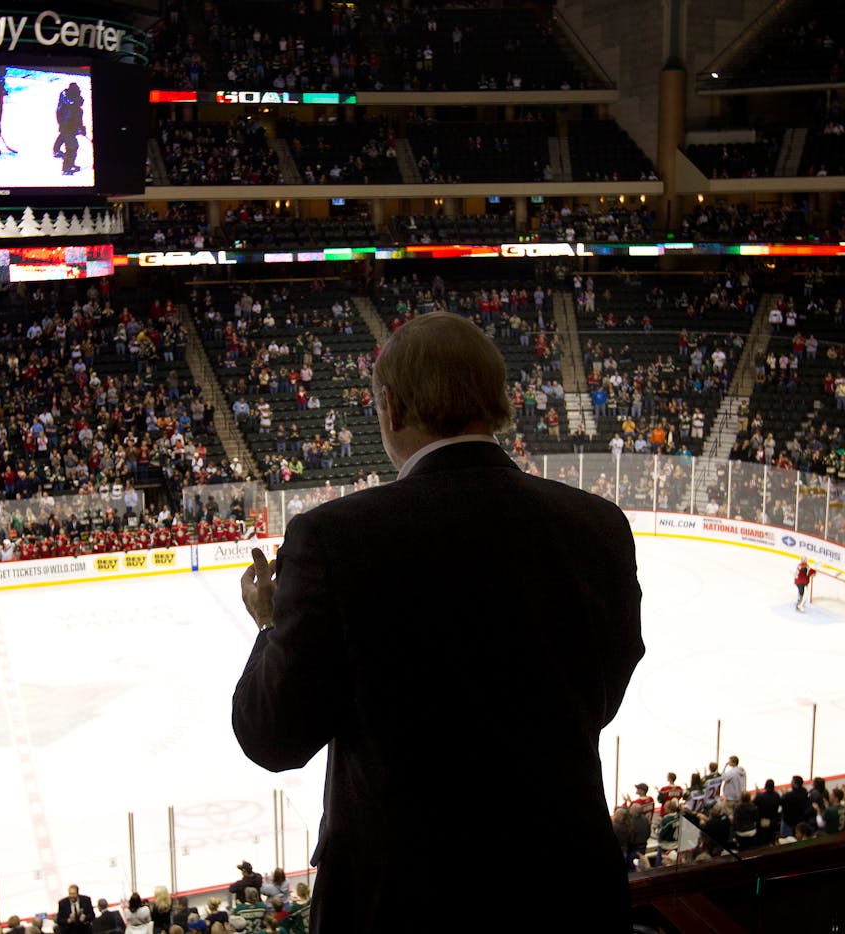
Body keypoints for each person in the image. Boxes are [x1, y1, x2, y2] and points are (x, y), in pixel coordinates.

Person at [233, 311, 644, 931]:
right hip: (567, 890)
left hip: (401, 904)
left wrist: (269, 625)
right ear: (497, 401)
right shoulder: (597, 524)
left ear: (392, 409)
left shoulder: (335, 539)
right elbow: (601, 692)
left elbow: (274, 736)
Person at [53, 82, 86, 175]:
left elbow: (78, 119)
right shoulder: (70, 106)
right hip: (67, 127)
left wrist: (81, 128)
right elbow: (70, 119)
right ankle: (66, 169)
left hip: (68, 128)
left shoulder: (77, 109)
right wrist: (77, 128)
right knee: (72, 147)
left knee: (71, 145)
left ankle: (69, 165)